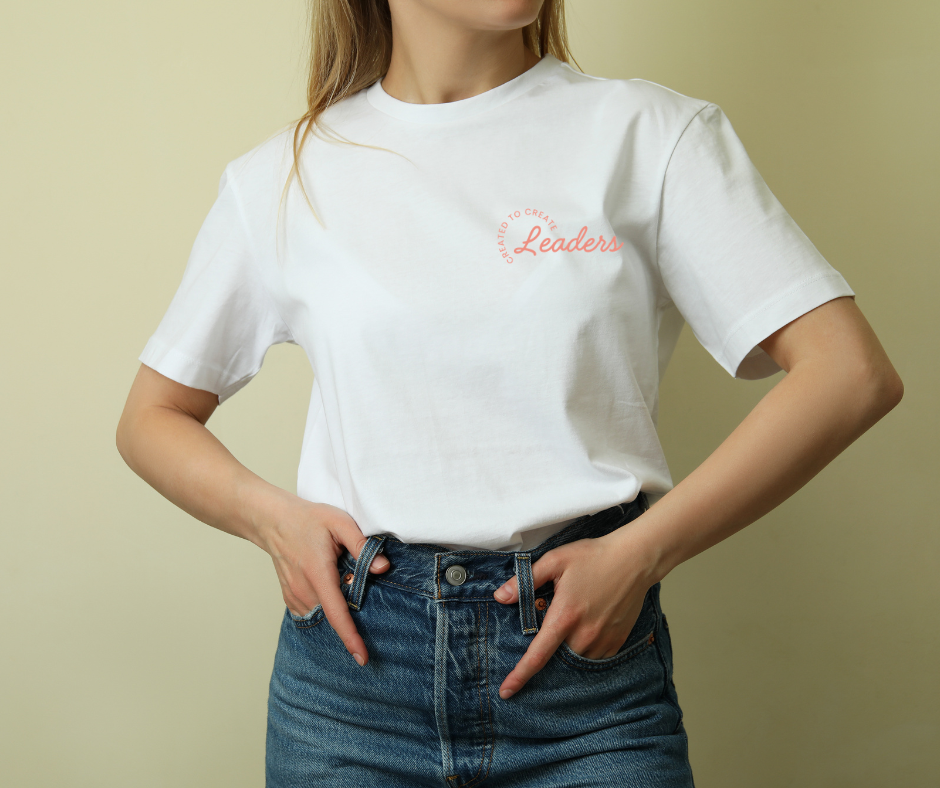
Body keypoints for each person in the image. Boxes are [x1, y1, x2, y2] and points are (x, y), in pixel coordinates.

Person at [116, 1, 903, 785]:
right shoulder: (287, 176)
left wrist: (643, 552)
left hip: (587, 691)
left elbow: (849, 374)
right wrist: (272, 521)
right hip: (351, 690)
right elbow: (152, 419)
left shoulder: (649, 135)